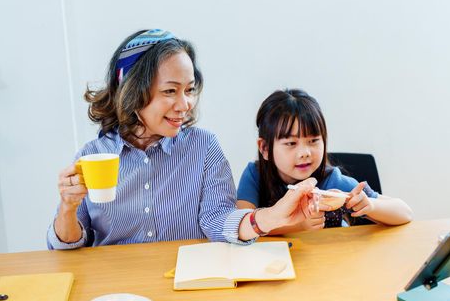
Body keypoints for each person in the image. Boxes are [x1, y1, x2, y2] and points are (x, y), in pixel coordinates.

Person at [47, 29, 320, 249]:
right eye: (170, 91)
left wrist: (269, 218)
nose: (185, 103)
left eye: (189, 90)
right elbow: (70, 245)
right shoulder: (92, 155)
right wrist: (67, 209)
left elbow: (218, 221)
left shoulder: (204, 147)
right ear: (131, 92)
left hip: (186, 282)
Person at [237, 89, 413, 234]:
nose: (305, 153)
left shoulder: (331, 181)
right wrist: (297, 226)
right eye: (291, 143)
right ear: (265, 148)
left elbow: (405, 212)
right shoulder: (255, 175)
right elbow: (240, 223)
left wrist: (371, 206)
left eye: (313, 141)